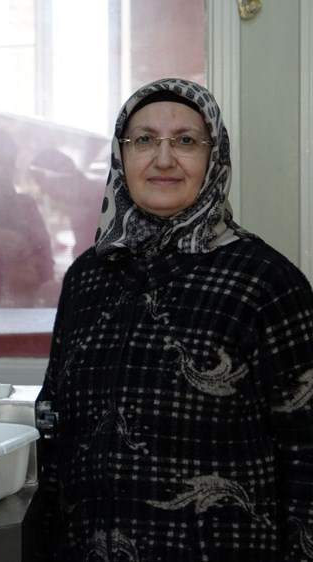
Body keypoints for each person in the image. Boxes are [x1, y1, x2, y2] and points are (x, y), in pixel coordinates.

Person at [23, 78, 313, 561]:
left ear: (213, 157)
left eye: (185, 141)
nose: (163, 159)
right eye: (144, 140)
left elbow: (305, 447)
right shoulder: (88, 276)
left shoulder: (266, 282)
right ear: (122, 156)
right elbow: (57, 423)